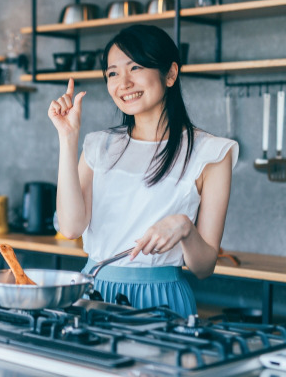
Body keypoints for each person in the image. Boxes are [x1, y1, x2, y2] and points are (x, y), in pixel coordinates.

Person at [47, 24, 238, 317]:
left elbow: (204, 267)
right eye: (112, 73)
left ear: (171, 74)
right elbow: (71, 227)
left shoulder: (210, 153)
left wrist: (186, 229)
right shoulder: (99, 145)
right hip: (95, 293)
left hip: (162, 299)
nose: (123, 82)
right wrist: (67, 138)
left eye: (135, 67)